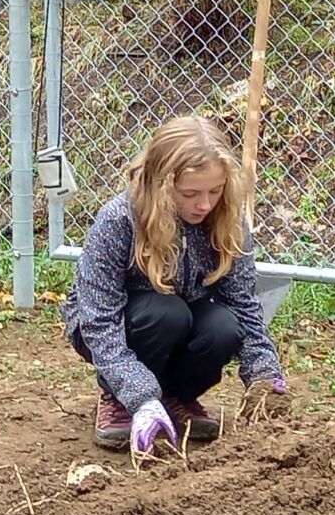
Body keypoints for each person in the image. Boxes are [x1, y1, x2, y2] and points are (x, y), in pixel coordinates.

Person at [64, 114, 287, 456]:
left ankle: (175, 396)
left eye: (215, 190)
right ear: (162, 184)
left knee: (226, 327)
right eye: (191, 193)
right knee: (167, 313)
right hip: (121, 325)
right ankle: (120, 398)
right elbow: (98, 321)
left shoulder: (226, 220)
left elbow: (243, 303)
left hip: (185, 314)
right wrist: (138, 394)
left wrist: (264, 373)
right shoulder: (119, 220)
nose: (205, 204)